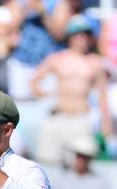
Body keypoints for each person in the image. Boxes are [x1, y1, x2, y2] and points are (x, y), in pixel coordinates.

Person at [32, 14, 111, 165]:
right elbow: (35, 81)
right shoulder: (57, 59)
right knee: (48, 164)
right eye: (79, 34)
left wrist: (106, 128)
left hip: (81, 120)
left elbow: (103, 97)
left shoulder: (95, 63)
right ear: (71, 36)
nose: (83, 38)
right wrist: (44, 94)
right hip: (57, 117)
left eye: (87, 34)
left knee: (80, 168)